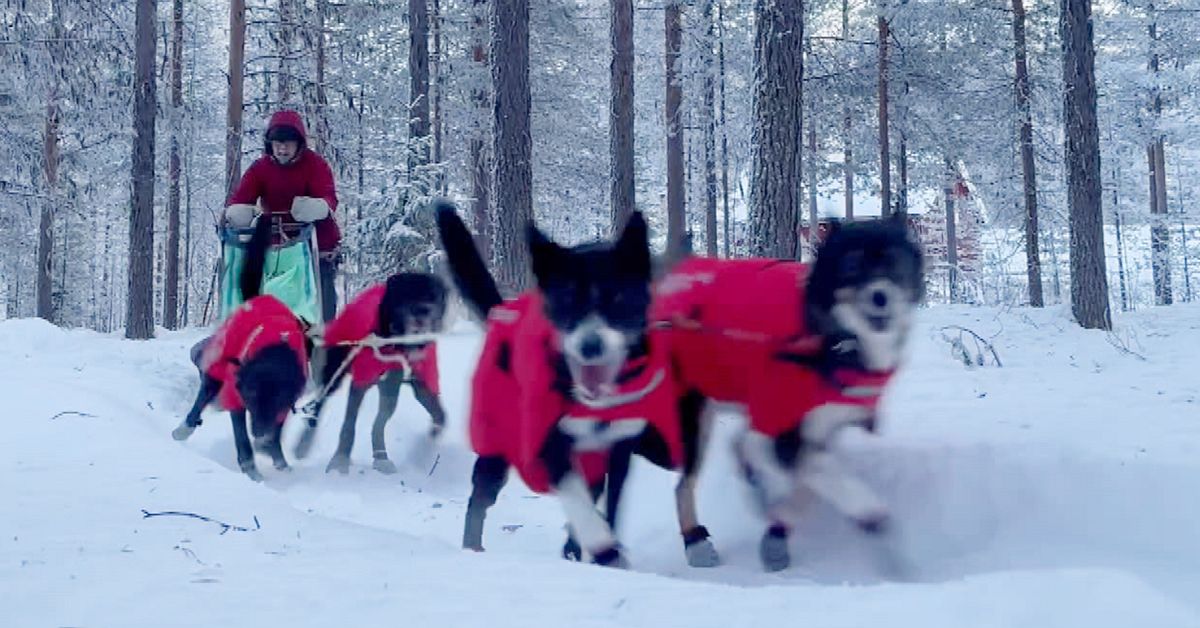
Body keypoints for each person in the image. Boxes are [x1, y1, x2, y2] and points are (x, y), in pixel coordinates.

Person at [225, 110, 342, 322]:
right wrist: (242, 213)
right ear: (270, 144)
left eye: (288, 143)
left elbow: (329, 198)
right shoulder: (261, 169)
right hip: (275, 244)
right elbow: (241, 198)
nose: (282, 148)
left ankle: (325, 337)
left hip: (316, 244)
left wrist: (319, 207)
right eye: (277, 143)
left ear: (299, 144)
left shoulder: (315, 165)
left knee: (321, 292)